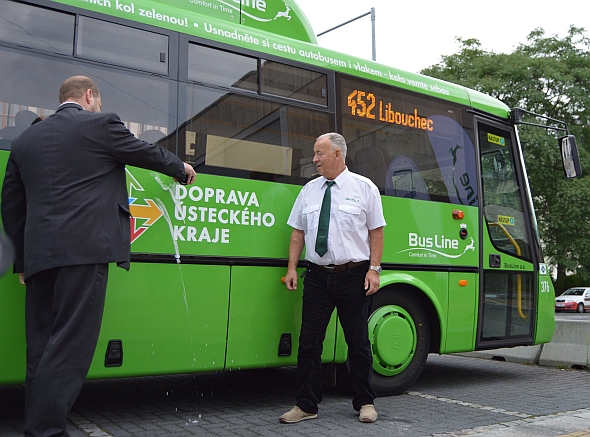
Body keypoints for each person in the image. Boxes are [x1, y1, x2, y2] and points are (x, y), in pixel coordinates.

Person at [0, 75, 196, 437]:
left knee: (41, 347)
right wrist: (180, 169)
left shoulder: (26, 139)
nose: (100, 107)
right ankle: (45, 431)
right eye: (99, 101)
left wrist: (23, 261)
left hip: (40, 257)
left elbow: (10, 205)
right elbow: (144, 151)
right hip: (84, 252)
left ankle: (38, 424)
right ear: (89, 96)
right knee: (70, 347)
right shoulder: (101, 124)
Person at [280, 132, 386, 424]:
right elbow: (297, 232)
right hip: (316, 276)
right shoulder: (309, 190)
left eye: (319, 153)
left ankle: (365, 402)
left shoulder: (365, 188)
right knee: (309, 343)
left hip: (353, 276)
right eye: (315, 154)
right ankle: (305, 405)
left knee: (359, 342)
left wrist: (374, 270)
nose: (314, 159)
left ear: (338, 154)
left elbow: (376, 232)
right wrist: (292, 268)